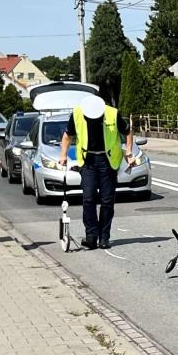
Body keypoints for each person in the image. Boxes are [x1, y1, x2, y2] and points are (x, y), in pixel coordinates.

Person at [61, 95, 134, 250]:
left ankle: (104, 237)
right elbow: (67, 136)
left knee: (107, 201)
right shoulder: (78, 114)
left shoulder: (112, 113)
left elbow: (127, 132)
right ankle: (91, 237)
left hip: (107, 161)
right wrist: (63, 155)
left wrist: (128, 152)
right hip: (88, 161)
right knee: (88, 198)